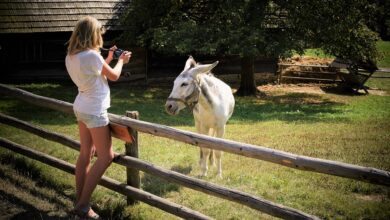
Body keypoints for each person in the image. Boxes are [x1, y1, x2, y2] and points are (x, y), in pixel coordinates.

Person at [65, 16, 131, 219]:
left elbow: (95, 73)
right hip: (94, 110)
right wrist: (121, 61)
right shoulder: (92, 56)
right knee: (106, 157)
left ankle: (79, 199)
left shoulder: (72, 56)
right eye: (99, 32)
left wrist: (108, 59)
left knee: (86, 153)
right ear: (92, 34)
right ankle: (84, 205)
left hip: (81, 107)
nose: (100, 36)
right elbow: (113, 76)